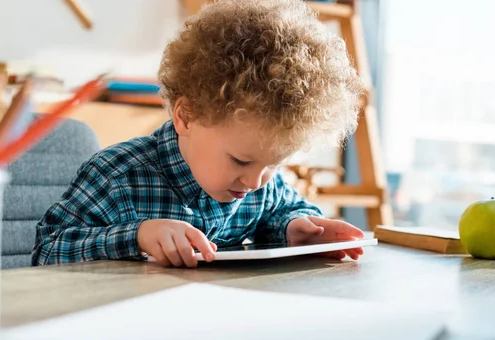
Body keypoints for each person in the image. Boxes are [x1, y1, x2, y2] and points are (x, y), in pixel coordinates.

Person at [32, 0, 365, 267]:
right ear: (186, 117)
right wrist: (137, 236)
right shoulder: (116, 177)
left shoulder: (260, 182)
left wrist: (298, 229)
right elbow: (47, 251)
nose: (255, 182)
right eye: (240, 160)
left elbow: (279, 212)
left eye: (273, 165)